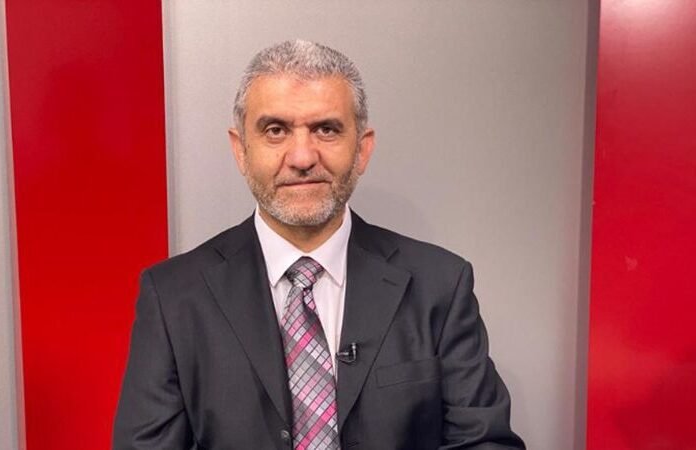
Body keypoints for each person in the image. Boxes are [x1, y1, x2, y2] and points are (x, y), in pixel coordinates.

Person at [113, 39, 525, 450]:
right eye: (275, 130)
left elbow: (485, 442)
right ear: (241, 150)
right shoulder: (173, 296)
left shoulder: (440, 285)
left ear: (362, 149)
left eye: (326, 130)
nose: (302, 157)